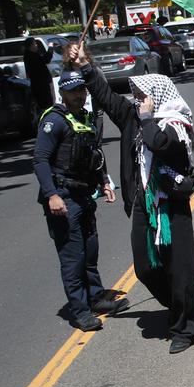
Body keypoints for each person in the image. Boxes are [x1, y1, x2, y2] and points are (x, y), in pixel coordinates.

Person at [73, 44, 194, 353]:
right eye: (136, 96)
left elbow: (159, 144)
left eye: (143, 96)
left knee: (178, 267)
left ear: (157, 96)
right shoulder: (133, 118)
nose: (137, 101)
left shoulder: (175, 125)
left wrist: (146, 119)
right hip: (144, 202)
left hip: (170, 203)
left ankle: (186, 326)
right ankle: (178, 305)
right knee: (145, 267)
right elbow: (106, 97)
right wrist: (86, 67)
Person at [33, 69, 129, 331]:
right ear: (62, 92)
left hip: (84, 194)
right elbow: (40, 160)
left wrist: (105, 181)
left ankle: (96, 297)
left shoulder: (85, 118)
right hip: (63, 196)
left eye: (82, 89)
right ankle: (80, 310)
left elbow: (94, 154)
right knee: (72, 257)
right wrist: (52, 194)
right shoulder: (54, 121)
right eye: (73, 90)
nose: (79, 93)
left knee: (90, 251)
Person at [24, 36, 54, 112]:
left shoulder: (30, 55)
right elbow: (46, 59)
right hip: (40, 85)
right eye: (35, 43)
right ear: (31, 46)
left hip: (37, 84)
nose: (36, 45)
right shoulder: (32, 56)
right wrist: (50, 48)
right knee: (46, 104)